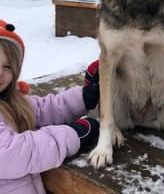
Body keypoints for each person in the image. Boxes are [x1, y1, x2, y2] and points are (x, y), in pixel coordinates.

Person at [0, 19, 100, 194]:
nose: (0, 73)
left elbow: (42, 109)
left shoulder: (8, 101)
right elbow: (11, 154)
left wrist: (84, 97)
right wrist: (72, 134)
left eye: (7, 66)